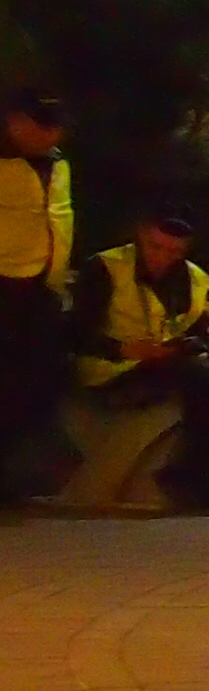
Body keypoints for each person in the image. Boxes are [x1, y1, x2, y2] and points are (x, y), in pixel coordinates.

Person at [70, 205, 209, 510]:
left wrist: (196, 347)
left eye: (174, 251)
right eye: (155, 247)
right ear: (141, 236)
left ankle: (205, 475)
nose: (162, 257)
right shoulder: (106, 268)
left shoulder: (193, 278)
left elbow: (202, 332)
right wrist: (123, 349)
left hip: (170, 362)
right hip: (112, 368)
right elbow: (76, 333)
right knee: (202, 378)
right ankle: (195, 478)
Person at [0, 89, 71, 488]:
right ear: (15, 123)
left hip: (43, 286)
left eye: (56, 127)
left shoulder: (58, 165)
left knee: (42, 380)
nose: (52, 135)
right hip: (4, 284)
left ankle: (12, 469)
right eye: (43, 126)